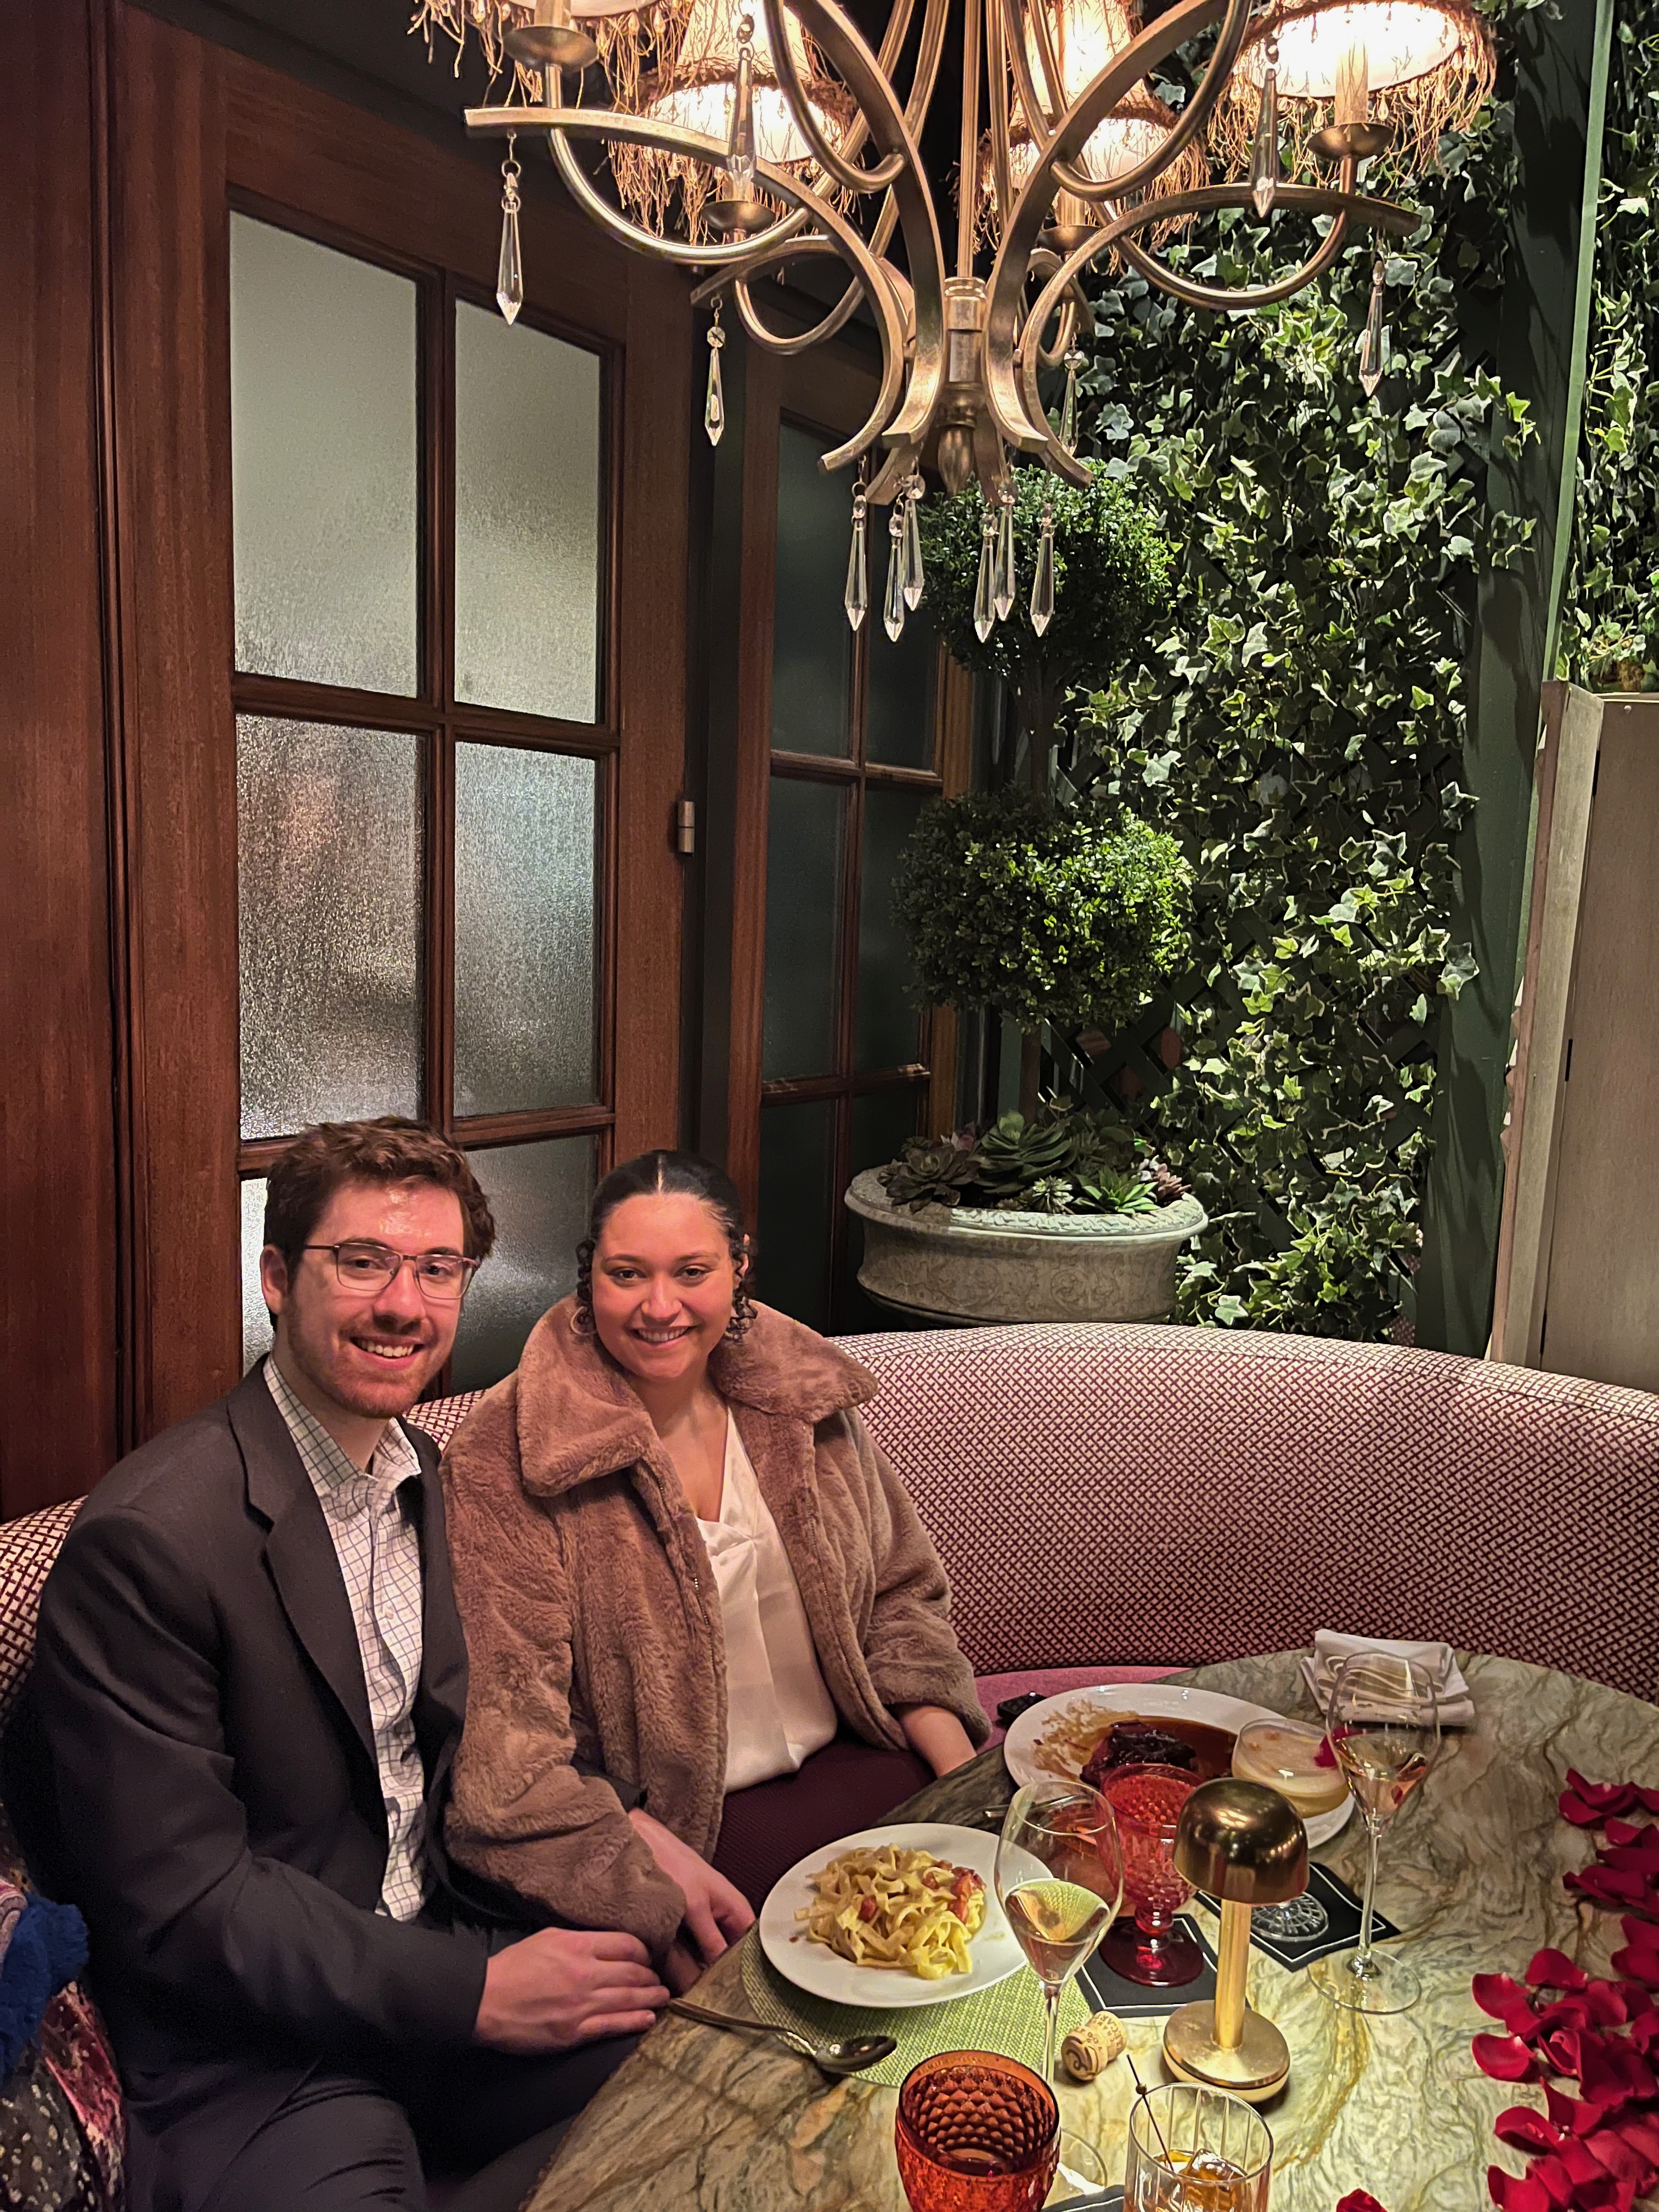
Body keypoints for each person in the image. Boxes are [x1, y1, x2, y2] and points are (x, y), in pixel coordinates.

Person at [5, 1119, 669, 2212]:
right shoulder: (151, 1540)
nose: (404, 1304)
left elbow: (469, 1742)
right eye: (361, 1262)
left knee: (717, 2086)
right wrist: (472, 1992)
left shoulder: (425, 1471)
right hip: (257, 2048)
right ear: (276, 1279)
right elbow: (183, 1904)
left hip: (438, 1945)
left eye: (438, 1268)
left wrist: (618, 1830)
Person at [441, 1149, 988, 1974]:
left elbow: (900, 1599)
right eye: (628, 1274)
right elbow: (511, 1740)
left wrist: (971, 1789)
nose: (660, 1306)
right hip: (688, 1840)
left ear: (739, 1270)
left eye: (691, 1271)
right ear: (590, 1280)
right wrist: (650, 1870)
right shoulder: (508, 1453)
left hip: (875, 1771)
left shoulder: (803, 1400)